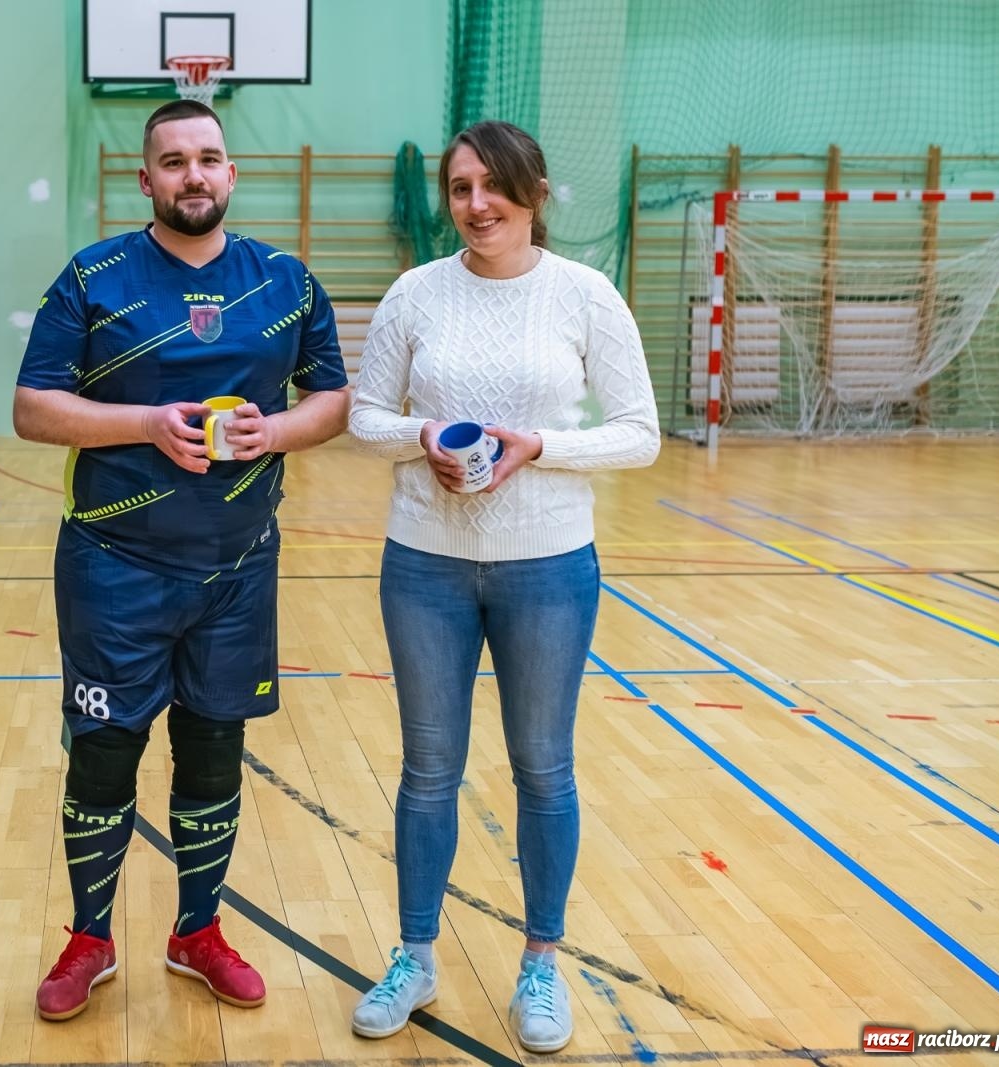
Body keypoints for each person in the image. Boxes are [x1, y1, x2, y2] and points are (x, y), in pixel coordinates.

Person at [15, 99, 351, 1022]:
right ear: (147, 179)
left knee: (213, 754)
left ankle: (196, 929)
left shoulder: (284, 279)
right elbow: (33, 407)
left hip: (237, 569)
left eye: (208, 158)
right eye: (174, 161)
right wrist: (145, 425)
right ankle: (90, 936)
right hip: (114, 564)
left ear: (231, 174)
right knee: (104, 757)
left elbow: (334, 399)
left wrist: (273, 429)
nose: (193, 174)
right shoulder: (95, 276)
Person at [346, 121, 660, 1052]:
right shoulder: (414, 294)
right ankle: (414, 954)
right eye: (460, 188)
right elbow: (366, 416)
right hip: (424, 563)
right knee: (429, 769)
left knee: (543, 768)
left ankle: (541, 965)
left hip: (551, 565)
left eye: (495, 187)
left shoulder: (585, 296)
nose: (478, 205)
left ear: (536, 192)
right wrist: (425, 439)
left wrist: (540, 447)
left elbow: (640, 432)